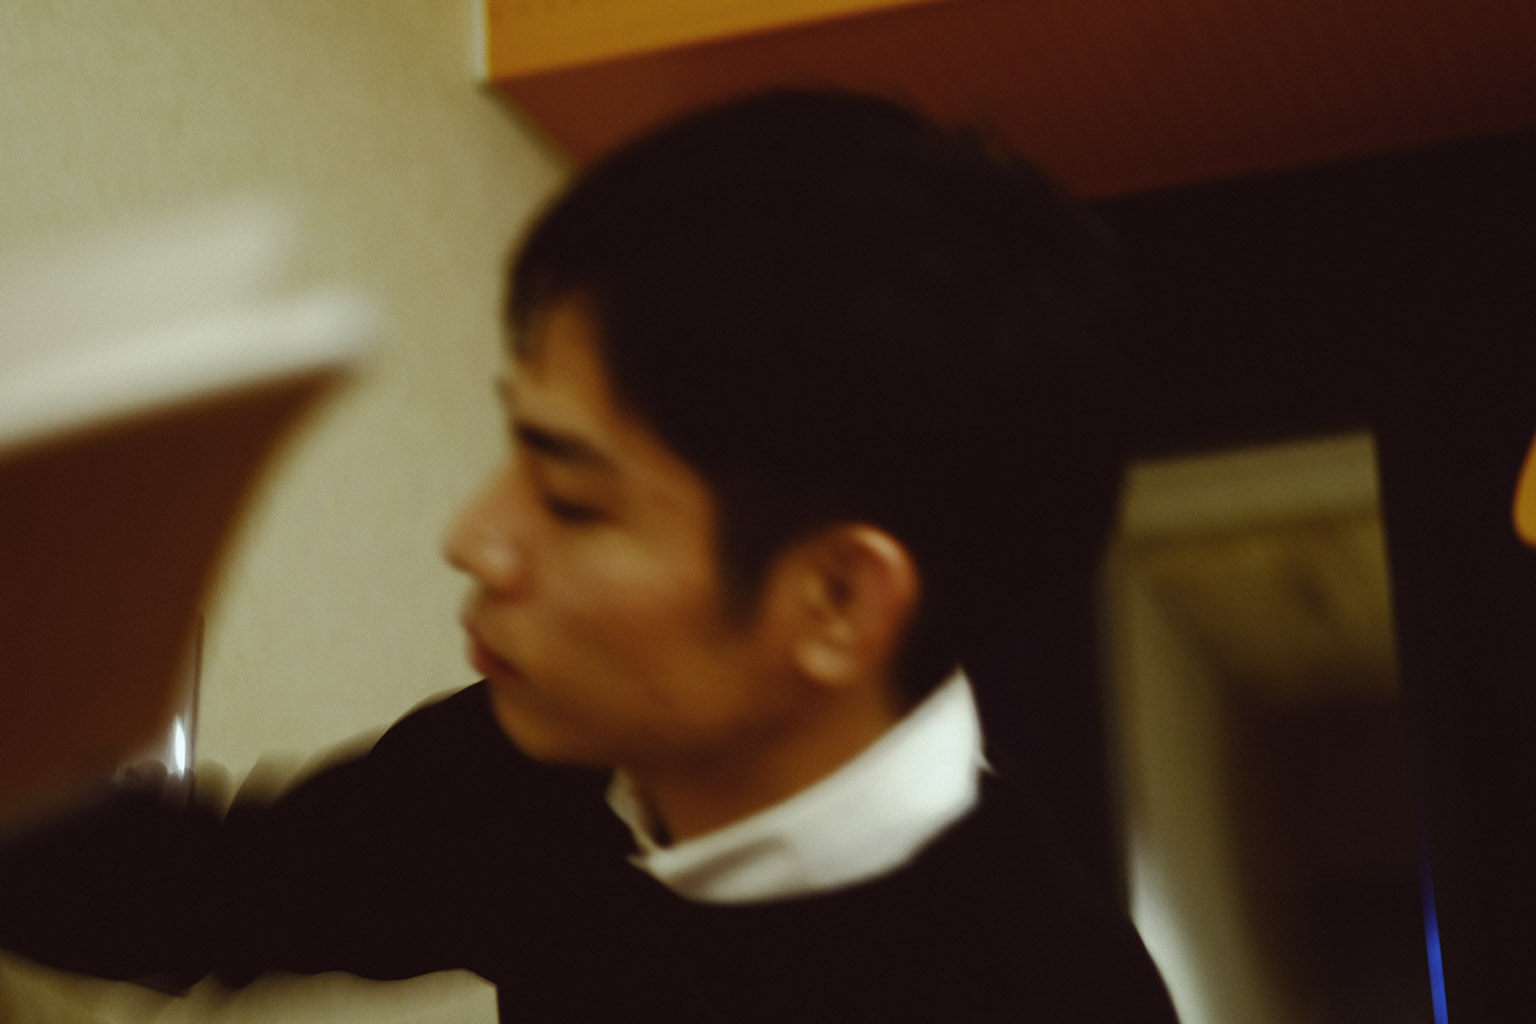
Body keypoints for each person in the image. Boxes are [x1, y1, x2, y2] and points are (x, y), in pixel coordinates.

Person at [0, 90, 1176, 1021]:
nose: (474, 536)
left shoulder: (1046, 993)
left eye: (571, 498)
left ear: (835, 599)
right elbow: (198, 897)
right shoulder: (543, 767)